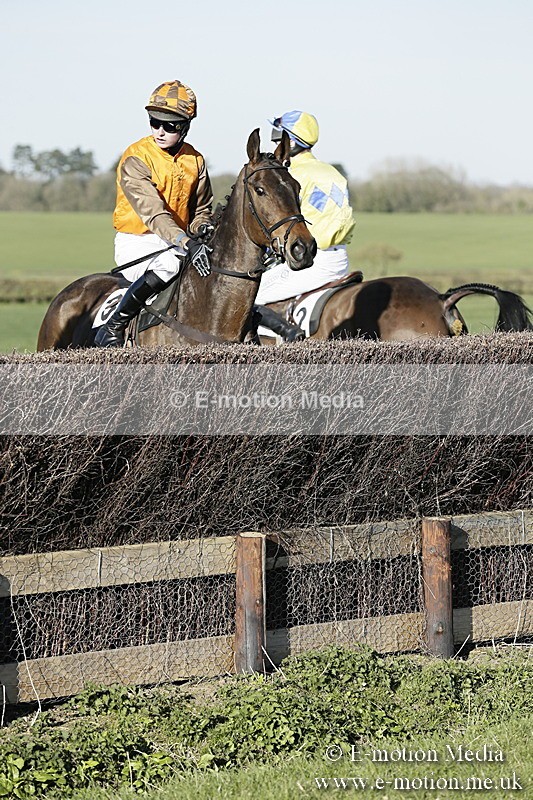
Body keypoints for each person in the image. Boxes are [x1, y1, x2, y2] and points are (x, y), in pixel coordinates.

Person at [95, 80, 214, 347]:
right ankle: (113, 327)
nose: (160, 131)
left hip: (179, 242)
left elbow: (202, 209)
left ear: (185, 127)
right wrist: (186, 241)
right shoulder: (135, 157)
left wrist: (202, 227)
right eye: (154, 122)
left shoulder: (196, 160)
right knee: (169, 265)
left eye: (169, 126)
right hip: (138, 241)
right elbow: (155, 214)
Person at [253, 110, 356, 342]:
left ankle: (285, 340)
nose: (275, 143)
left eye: (278, 138)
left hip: (309, 261)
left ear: (291, 142)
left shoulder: (288, 175)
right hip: (340, 258)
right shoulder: (333, 172)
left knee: (248, 298)